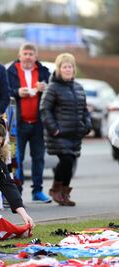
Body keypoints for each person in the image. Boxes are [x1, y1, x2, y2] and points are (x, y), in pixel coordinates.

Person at [40, 53, 91, 206]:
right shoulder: (53, 87)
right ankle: (56, 190)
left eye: (70, 67)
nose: (68, 69)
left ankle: (64, 193)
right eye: (64, 67)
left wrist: (86, 126)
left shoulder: (78, 87)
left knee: (71, 161)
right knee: (67, 159)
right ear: (59, 69)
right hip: (59, 134)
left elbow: (85, 110)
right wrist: (54, 129)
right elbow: (44, 109)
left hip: (75, 134)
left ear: (73, 69)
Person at [7, 43, 52, 203]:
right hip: (17, 124)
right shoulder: (10, 71)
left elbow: (53, 91)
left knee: (38, 158)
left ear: (35, 57)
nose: (27, 57)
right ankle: (16, 192)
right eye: (25, 54)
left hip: (39, 123)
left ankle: (37, 191)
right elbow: (4, 92)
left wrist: (45, 87)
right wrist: (17, 92)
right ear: (19, 55)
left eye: (30, 54)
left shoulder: (44, 71)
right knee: (16, 158)